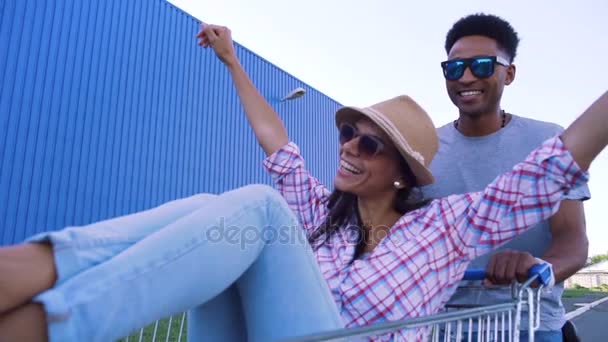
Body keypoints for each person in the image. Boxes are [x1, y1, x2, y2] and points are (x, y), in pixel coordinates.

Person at [0, 23, 606, 341]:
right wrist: (232, 61)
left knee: (260, 212)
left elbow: (551, 168)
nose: (348, 148)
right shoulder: (323, 217)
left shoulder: (443, 229)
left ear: (402, 173)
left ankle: (34, 313)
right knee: (220, 210)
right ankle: (29, 273)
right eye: (347, 135)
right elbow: (276, 143)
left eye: (369, 144)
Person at [423, 13, 590, 341]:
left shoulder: (548, 142)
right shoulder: (423, 149)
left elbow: (573, 241)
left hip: (528, 323)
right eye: (454, 68)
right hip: (441, 328)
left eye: (482, 65)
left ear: (509, 73)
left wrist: (536, 268)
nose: (466, 77)